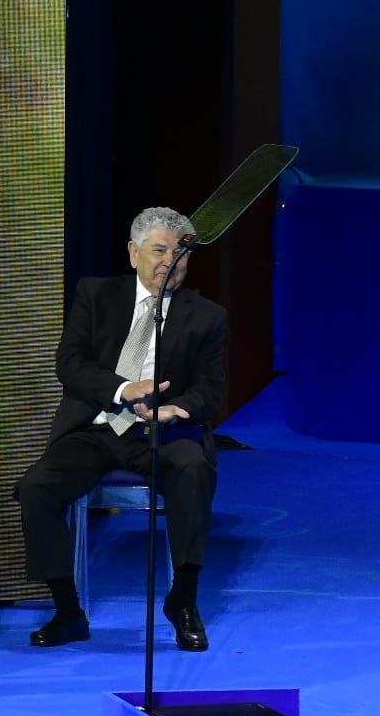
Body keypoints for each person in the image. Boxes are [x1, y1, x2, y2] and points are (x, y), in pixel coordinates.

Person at [16, 206, 227, 651]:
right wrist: (125, 388)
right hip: (99, 427)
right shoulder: (96, 294)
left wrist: (176, 409)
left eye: (182, 253)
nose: (172, 262)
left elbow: (210, 390)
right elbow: (69, 366)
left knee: (193, 469)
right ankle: (68, 610)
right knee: (38, 487)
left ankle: (184, 600)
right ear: (134, 253)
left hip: (163, 432)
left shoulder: (206, 316)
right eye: (160, 251)